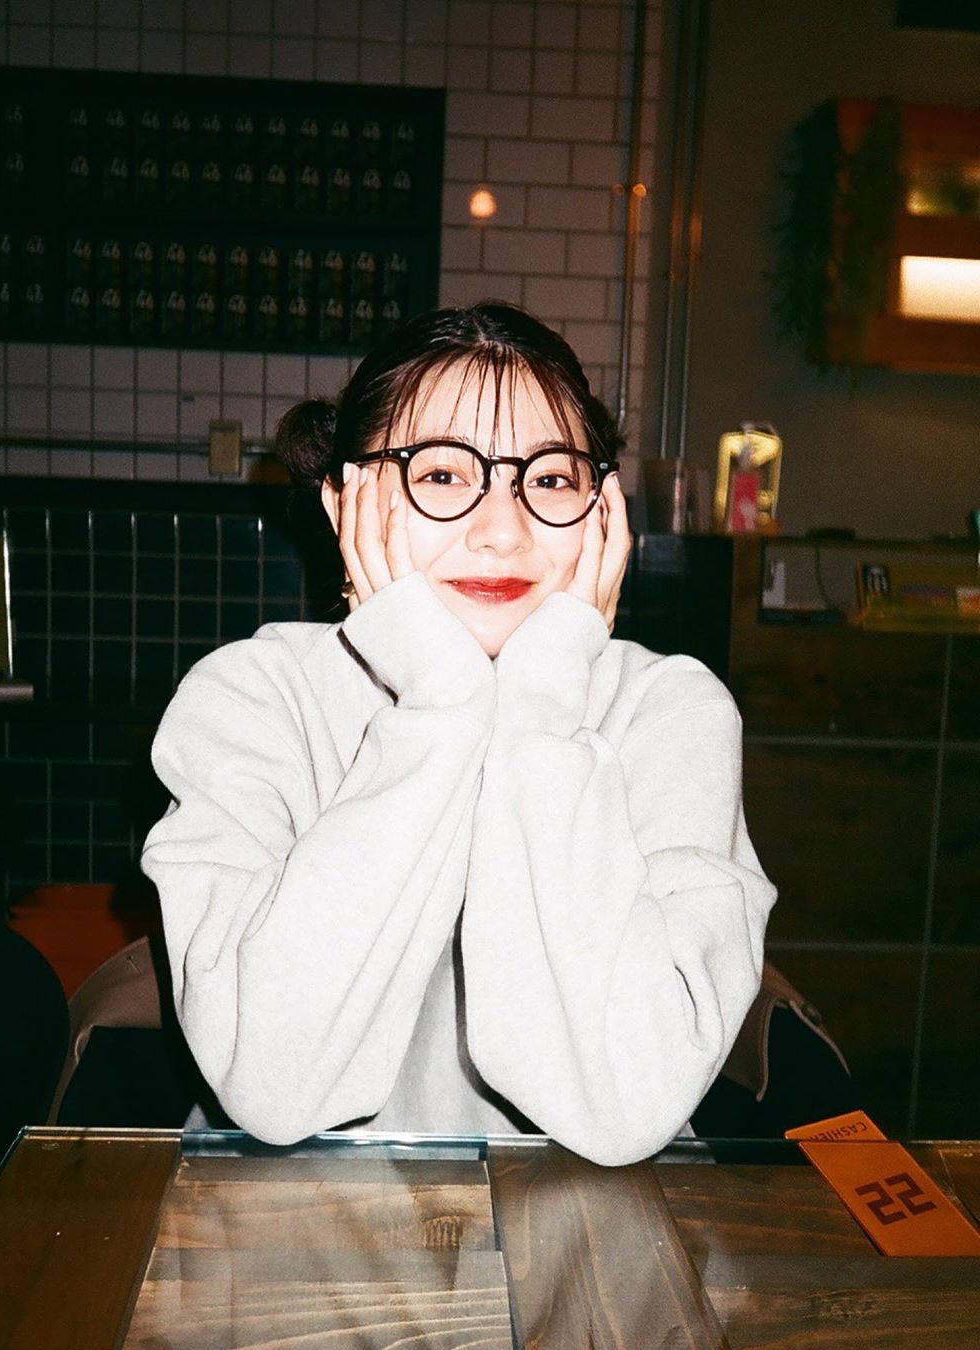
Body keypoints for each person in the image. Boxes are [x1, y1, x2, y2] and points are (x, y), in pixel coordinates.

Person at [141, 302, 777, 1165]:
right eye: (441, 474)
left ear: (601, 511)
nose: (502, 531)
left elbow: (627, 1106)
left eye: (549, 480)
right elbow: (276, 1088)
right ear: (343, 501)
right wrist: (439, 704)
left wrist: (542, 708)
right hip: (295, 1218)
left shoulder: (667, 711)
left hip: (579, 1223)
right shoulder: (254, 700)